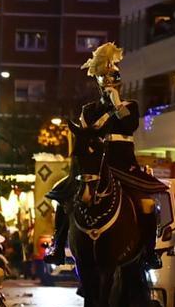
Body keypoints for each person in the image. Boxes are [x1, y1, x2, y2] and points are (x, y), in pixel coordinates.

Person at [49, 43, 167, 269]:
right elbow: (86, 136)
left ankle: (149, 251)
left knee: (146, 203)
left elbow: (129, 125)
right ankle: (57, 244)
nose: (109, 84)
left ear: (119, 83)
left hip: (124, 165)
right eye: (104, 79)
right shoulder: (89, 110)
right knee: (63, 198)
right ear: (98, 82)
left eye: (112, 80)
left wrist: (115, 104)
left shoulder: (130, 106)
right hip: (96, 165)